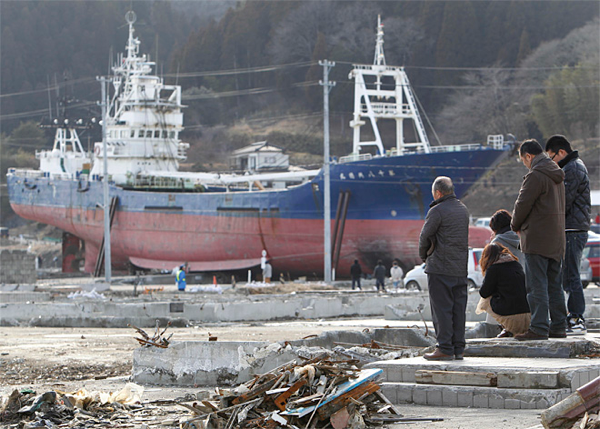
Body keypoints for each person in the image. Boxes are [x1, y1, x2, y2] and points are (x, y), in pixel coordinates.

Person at [511, 139, 567, 341]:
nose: (525, 164)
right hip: (556, 239)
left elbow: (522, 205)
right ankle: (559, 326)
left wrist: (514, 225)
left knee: (536, 285)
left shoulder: (535, 176)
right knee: (554, 285)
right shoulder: (557, 174)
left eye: (523, 160)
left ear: (528, 156)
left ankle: (539, 327)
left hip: (537, 238)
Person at [419, 176, 469, 360]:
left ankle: (445, 348)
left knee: (442, 310)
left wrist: (425, 257)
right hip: (460, 268)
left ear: (438, 193)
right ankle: (459, 349)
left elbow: (424, 237)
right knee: (458, 310)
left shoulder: (437, 211)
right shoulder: (463, 209)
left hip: (440, 267)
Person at [545, 135, 591, 334]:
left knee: (571, 275)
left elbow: (563, 201)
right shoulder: (572, 166)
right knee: (567, 275)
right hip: (571, 228)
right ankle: (572, 316)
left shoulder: (572, 168)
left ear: (561, 152)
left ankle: (576, 317)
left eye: (551, 157)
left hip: (573, 229)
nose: (552, 162)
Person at [476, 243, 531, 338]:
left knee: (485, 300)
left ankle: (507, 327)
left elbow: (484, 293)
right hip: (528, 316)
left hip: (512, 318)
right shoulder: (516, 264)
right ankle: (507, 329)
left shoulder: (493, 269)